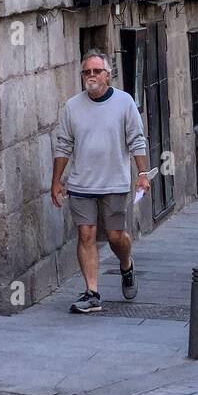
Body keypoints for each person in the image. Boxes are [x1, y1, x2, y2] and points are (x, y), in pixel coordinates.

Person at [51, 49, 150, 314]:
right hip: (81, 184)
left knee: (117, 236)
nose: (91, 76)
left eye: (96, 71)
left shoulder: (124, 102)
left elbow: (137, 139)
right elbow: (64, 144)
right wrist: (56, 181)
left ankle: (126, 265)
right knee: (86, 234)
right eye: (87, 72)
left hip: (115, 182)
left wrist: (142, 174)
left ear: (108, 74)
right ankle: (92, 293)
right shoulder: (72, 106)